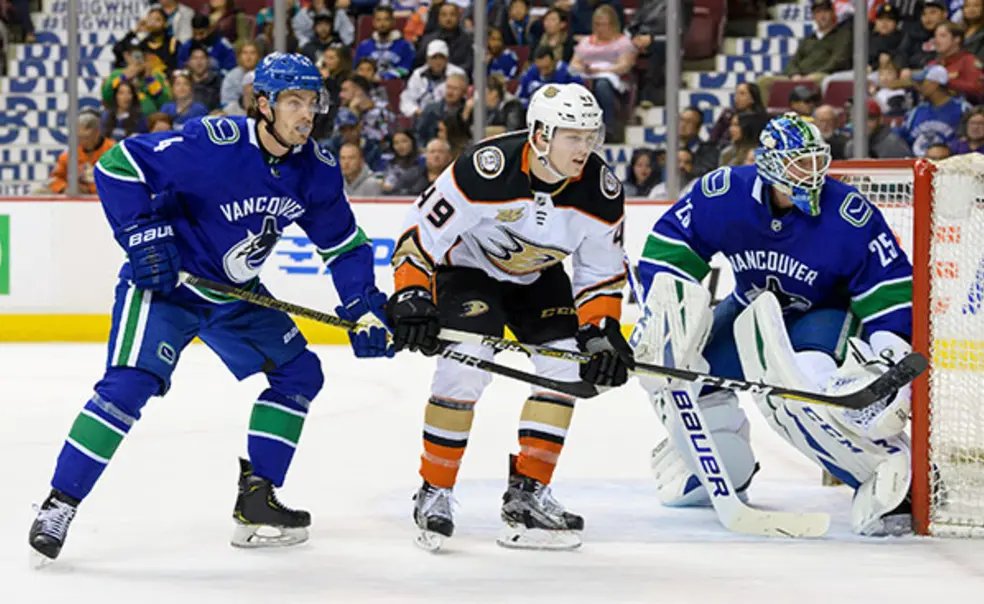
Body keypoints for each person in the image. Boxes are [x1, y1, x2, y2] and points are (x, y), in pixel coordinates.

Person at [28, 53, 394, 563]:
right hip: (166, 288)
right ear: (262, 104)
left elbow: (343, 244)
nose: (306, 114)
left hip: (235, 296)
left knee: (299, 373)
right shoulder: (213, 144)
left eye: (312, 102)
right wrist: (143, 237)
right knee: (129, 385)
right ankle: (59, 502)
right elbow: (117, 166)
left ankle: (257, 499)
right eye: (293, 101)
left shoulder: (316, 169)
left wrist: (363, 305)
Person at [633, 113, 914, 537]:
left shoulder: (849, 213)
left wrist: (887, 352)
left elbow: (889, 288)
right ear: (770, 165)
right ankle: (725, 466)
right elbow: (671, 244)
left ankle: (887, 475)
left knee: (803, 388)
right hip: (751, 309)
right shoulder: (725, 193)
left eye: (817, 161)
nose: (814, 174)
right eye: (800, 164)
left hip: (821, 314)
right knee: (681, 377)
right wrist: (664, 312)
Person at [387, 82, 633, 552]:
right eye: (573, 137)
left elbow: (600, 273)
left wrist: (602, 331)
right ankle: (435, 489)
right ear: (541, 134)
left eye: (590, 136)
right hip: (467, 272)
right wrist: (412, 294)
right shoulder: (486, 169)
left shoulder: (601, 192)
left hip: (538, 276)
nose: (585, 148)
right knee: (464, 362)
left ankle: (528, 493)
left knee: (565, 367)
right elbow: (420, 233)